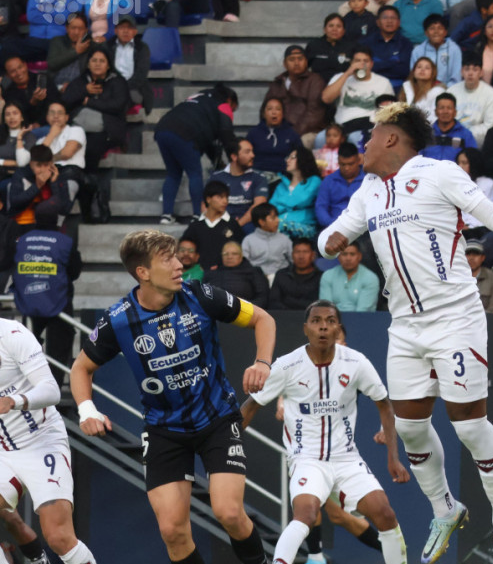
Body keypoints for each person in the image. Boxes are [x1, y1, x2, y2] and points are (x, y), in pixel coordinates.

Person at [318, 103, 493, 564]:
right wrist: (333, 240)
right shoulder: (367, 190)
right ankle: (446, 508)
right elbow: (332, 236)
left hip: (455, 317)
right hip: (403, 325)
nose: (362, 145)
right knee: (409, 427)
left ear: (391, 138)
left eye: (371, 135)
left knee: (467, 425)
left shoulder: (439, 173)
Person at [71, 229, 275, 564]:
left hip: (217, 420)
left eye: (178, 256)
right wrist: (86, 410)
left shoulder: (201, 295)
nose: (180, 265)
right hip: (164, 430)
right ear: (143, 273)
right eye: (168, 259)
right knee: (172, 532)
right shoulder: (118, 319)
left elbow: (263, 319)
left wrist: (263, 362)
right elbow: (81, 369)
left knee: (228, 512)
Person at [240, 300, 409, 564]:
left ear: (338, 329)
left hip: (347, 459)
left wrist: (393, 456)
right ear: (306, 328)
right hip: (306, 459)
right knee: (306, 514)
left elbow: (385, 404)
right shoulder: (286, 366)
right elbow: (250, 407)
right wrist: (226, 448)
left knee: (385, 514)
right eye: (316, 321)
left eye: (330, 321)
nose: (323, 327)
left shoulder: (356, 362)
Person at [0, 319, 98, 564]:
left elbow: (51, 390)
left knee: (58, 537)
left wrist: (15, 400)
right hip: (3, 450)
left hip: (40, 440)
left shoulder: (12, 334)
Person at [12, 203, 81, 380]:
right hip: (58, 303)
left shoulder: (22, 240)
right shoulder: (65, 242)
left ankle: (28, 386)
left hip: (27, 303)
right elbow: (74, 271)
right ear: (57, 219)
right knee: (59, 349)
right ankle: (53, 389)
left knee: (27, 348)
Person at [155, 84, 238, 224]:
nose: (232, 112)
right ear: (230, 100)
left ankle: (166, 215)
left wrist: (216, 160)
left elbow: (207, 141)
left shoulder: (199, 97)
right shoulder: (223, 104)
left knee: (173, 174)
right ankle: (196, 215)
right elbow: (226, 133)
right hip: (185, 133)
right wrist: (234, 156)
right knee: (194, 173)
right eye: (233, 109)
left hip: (162, 129)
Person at [61, 46, 129, 174]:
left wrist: (89, 102)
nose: (97, 64)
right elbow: (64, 102)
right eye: (94, 60)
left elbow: (118, 105)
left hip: (106, 131)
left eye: (102, 61)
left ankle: (88, 184)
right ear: (88, 64)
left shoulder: (118, 82)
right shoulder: (80, 81)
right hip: (77, 129)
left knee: (90, 148)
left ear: (108, 65)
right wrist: (84, 91)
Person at [321, 46, 394, 147]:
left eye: (365, 61)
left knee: (355, 138)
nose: (361, 64)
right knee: (319, 139)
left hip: (369, 125)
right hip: (342, 125)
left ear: (371, 64)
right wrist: (347, 73)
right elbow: (326, 98)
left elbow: (390, 111)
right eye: (357, 61)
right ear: (351, 63)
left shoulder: (383, 82)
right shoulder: (340, 77)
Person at [263, 45, 327, 148]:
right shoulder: (278, 82)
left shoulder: (315, 80)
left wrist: (291, 134)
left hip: (307, 132)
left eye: (300, 59)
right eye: (292, 59)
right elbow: (265, 110)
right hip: (279, 130)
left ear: (306, 61)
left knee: (302, 143)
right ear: (285, 63)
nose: (296, 63)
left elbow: (314, 114)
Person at [5, 146, 71, 233]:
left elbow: (64, 207)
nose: (43, 170)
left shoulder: (58, 176)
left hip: (50, 225)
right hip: (23, 223)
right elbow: (15, 202)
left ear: (52, 163)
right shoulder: (21, 174)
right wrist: (37, 186)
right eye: (39, 165)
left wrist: (54, 183)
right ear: (31, 163)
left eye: (46, 165)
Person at [182, 180, 245, 271]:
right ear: (208, 199)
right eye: (220, 197)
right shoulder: (195, 226)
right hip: (198, 275)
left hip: (226, 274)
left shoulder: (232, 225)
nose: (225, 201)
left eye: (226, 198)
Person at [209, 139, 269, 234]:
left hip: (247, 223)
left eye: (252, 151)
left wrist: (237, 225)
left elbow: (258, 205)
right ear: (234, 157)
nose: (252, 155)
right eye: (247, 152)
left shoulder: (259, 177)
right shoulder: (217, 177)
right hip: (221, 220)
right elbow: (206, 204)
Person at [447, 53, 493, 148]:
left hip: (478, 143)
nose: (470, 73)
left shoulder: (491, 94)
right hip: (451, 138)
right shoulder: (451, 91)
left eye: (475, 70)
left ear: (481, 73)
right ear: (461, 72)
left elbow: (489, 125)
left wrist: (465, 134)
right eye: (467, 69)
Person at [270, 147, 322, 239]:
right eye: (288, 157)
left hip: (305, 225)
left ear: (303, 159)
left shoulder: (314, 181)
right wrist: (292, 207)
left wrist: (282, 206)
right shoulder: (282, 184)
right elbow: (271, 208)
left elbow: (304, 200)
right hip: (280, 225)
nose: (287, 160)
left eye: (292, 157)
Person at [203, 241, 270, 309]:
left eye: (234, 254)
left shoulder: (254, 272)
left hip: (246, 312)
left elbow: (262, 296)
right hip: (214, 312)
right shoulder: (211, 274)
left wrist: (249, 309)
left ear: (241, 255)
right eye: (225, 254)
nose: (229, 257)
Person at [245, 97, 302, 177]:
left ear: (283, 114)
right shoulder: (254, 133)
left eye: (278, 109)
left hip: (284, 175)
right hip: (258, 175)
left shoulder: (292, 134)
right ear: (264, 113)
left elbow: (300, 156)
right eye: (270, 109)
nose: (274, 112)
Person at [320, 241, 380, 311]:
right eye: (344, 254)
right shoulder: (327, 275)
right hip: (333, 320)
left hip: (362, 320)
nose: (348, 258)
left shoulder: (370, 278)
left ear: (359, 256)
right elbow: (326, 308)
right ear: (338, 256)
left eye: (352, 254)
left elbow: (363, 311)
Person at [315, 144, 365, 229]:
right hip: (334, 227)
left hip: (363, 227)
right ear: (338, 161)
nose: (346, 168)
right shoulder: (328, 180)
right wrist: (332, 225)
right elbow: (321, 207)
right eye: (343, 164)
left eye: (350, 164)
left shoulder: (369, 178)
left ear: (358, 160)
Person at [365, 6, 413, 93]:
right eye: (385, 17)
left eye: (393, 18)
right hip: (370, 87)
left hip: (397, 89)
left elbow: (403, 71)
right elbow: (364, 68)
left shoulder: (406, 44)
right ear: (378, 22)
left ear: (399, 22)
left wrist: (377, 64)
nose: (389, 21)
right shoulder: (367, 43)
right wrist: (392, 63)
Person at [242, 203, 292, 285]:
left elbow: (293, 261)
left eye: (277, 217)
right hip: (256, 281)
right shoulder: (248, 240)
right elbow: (244, 265)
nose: (277, 220)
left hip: (281, 280)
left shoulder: (285, 239)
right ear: (261, 222)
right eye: (273, 218)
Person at [3, 57, 61, 127]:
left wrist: (40, 123)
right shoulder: (8, 94)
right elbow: (18, 117)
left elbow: (57, 102)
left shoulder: (42, 79)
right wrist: (32, 103)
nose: (18, 73)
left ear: (25, 65)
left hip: (52, 123)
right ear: (8, 75)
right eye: (13, 71)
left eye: (20, 67)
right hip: (27, 130)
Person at [409, 14, 463, 88]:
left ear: (445, 32)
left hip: (448, 91)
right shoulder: (418, 51)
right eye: (432, 28)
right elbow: (414, 76)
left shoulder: (454, 49)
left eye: (440, 28)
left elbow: (456, 77)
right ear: (426, 33)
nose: (436, 32)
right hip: (423, 90)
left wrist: (444, 90)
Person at [422, 93, 478, 162]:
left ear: (455, 112)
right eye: (441, 108)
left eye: (449, 108)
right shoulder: (426, 133)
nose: (445, 111)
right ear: (435, 112)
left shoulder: (466, 135)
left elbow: (473, 160)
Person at [270, 238, 323, 310]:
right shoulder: (281, 275)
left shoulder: (321, 277)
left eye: (305, 252)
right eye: (297, 252)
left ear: (313, 255)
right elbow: (274, 302)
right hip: (284, 317)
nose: (301, 256)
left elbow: (318, 305)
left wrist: (288, 300)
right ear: (292, 255)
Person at [46, 12, 92, 92]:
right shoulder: (57, 41)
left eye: (80, 29)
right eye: (73, 28)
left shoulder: (90, 45)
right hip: (55, 86)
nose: (76, 32)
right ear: (67, 29)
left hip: (79, 89)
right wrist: (76, 52)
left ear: (86, 30)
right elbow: (51, 64)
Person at [305, 14, 355, 84]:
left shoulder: (352, 47)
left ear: (343, 31)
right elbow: (304, 68)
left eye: (338, 26)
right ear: (324, 29)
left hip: (344, 86)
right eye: (331, 26)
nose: (334, 29)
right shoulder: (314, 45)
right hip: (318, 86)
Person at [398, 57, 445, 123]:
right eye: (419, 67)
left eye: (427, 68)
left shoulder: (438, 91)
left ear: (433, 73)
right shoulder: (407, 87)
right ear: (413, 71)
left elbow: (434, 117)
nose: (422, 70)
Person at [465, 240, 493, 312]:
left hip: (485, 320)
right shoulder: (455, 277)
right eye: (468, 254)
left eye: (476, 254)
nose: (471, 258)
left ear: (483, 258)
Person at [0, 101, 36, 174]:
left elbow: (22, 163)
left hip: (18, 177)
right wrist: (12, 163)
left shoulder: (29, 136)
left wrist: (19, 137)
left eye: (15, 113)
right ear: (4, 119)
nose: (11, 117)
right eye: (7, 114)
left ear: (22, 117)